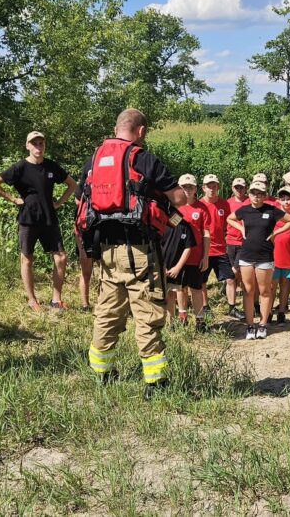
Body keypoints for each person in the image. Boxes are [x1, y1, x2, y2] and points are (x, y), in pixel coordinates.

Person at [83, 108, 186, 396]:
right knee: (148, 314)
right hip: (140, 251)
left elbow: (83, 202)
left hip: (106, 253)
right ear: (140, 131)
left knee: (107, 313)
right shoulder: (142, 158)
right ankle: (156, 382)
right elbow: (178, 197)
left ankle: (101, 373)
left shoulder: (94, 160)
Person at [0, 131, 77, 311]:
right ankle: (32, 300)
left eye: (41, 143)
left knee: (61, 258)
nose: (38, 146)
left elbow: (72, 184)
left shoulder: (52, 166)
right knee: (27, 258)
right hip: (28, 219)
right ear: (28, 146)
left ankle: (56, 300)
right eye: (34, 143)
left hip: (49, 218)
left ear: (44, 146)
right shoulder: (20, 167)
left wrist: (59, 202)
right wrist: (13, 199)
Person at [226, 181, 290, 340]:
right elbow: (230, 219)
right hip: (246, 256)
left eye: (260, 194)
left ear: (264, 196)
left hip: (265, 256)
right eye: (253, 193)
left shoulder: (272, 210)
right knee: (248, 291)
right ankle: (250, 326)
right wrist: (241, 228)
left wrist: (275, 234)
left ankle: (263, 324)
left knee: (265, 291)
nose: (256, 196)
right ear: (249, 194)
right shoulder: (244, 210)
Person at [173, 174, 211, 330]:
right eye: (184, 187)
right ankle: (182, 317)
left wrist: (206, 256)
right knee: (180, 288)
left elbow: (206, 233)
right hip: (179, 256)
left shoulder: (202, 208)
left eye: (190, 186)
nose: (187, 190)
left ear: (195, 188)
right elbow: (172, 230)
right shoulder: (176, 207)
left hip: (196, 256)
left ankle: (200, 320)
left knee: (196, 288)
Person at [198, 174, 236, 320]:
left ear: (218, 187)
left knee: (230, 278)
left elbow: (228, 224)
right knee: (202, 281)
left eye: (214, 186)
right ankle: (205, 307)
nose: (212, 189)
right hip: (204, 250)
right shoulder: (199, 204)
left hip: (220, 249)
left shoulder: (224, 204)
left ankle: (232, 307)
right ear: (203, 188)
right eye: (209, 186)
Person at [271, 186, 290, 324]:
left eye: (289, 199)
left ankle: (281, 311)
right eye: (283, 199)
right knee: (272, 285)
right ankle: (269, 310)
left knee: (285, 284)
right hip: (273, 256)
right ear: (279, 201)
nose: (286, 202)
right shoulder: (274, 213)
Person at [225, 177, 249, 319]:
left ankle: (249, 305)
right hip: (230, 242)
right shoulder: (228, 203)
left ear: (245, 188)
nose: (239, 190)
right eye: (236, 187)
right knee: (230, 277)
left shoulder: (249, 201)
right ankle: (232, 307)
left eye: (241, 187)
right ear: (232, 188)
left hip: (245, 244)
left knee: (236, 272)